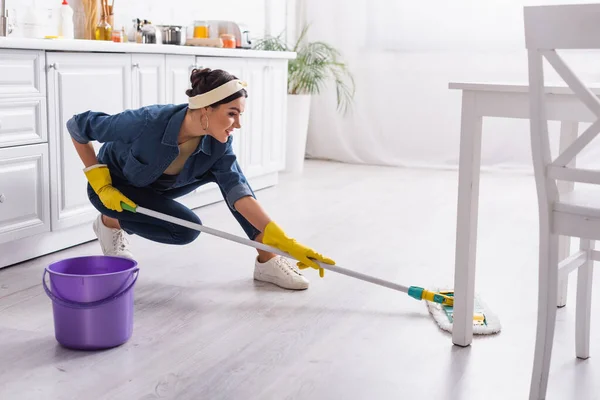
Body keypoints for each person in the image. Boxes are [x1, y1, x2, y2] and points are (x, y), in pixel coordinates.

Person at [67, 67, 334, 290]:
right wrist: (101, 184)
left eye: (240, 114)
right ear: (205, 109)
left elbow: (237, 191)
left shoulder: (219, 143)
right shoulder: (145, 122)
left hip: (156, 191)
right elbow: (78, 125)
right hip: (113, 190)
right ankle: (109, 221)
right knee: (185, 229)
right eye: (232, 113)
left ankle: (268, 258)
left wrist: (282, 238)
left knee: (231, 177)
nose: (238, 123)